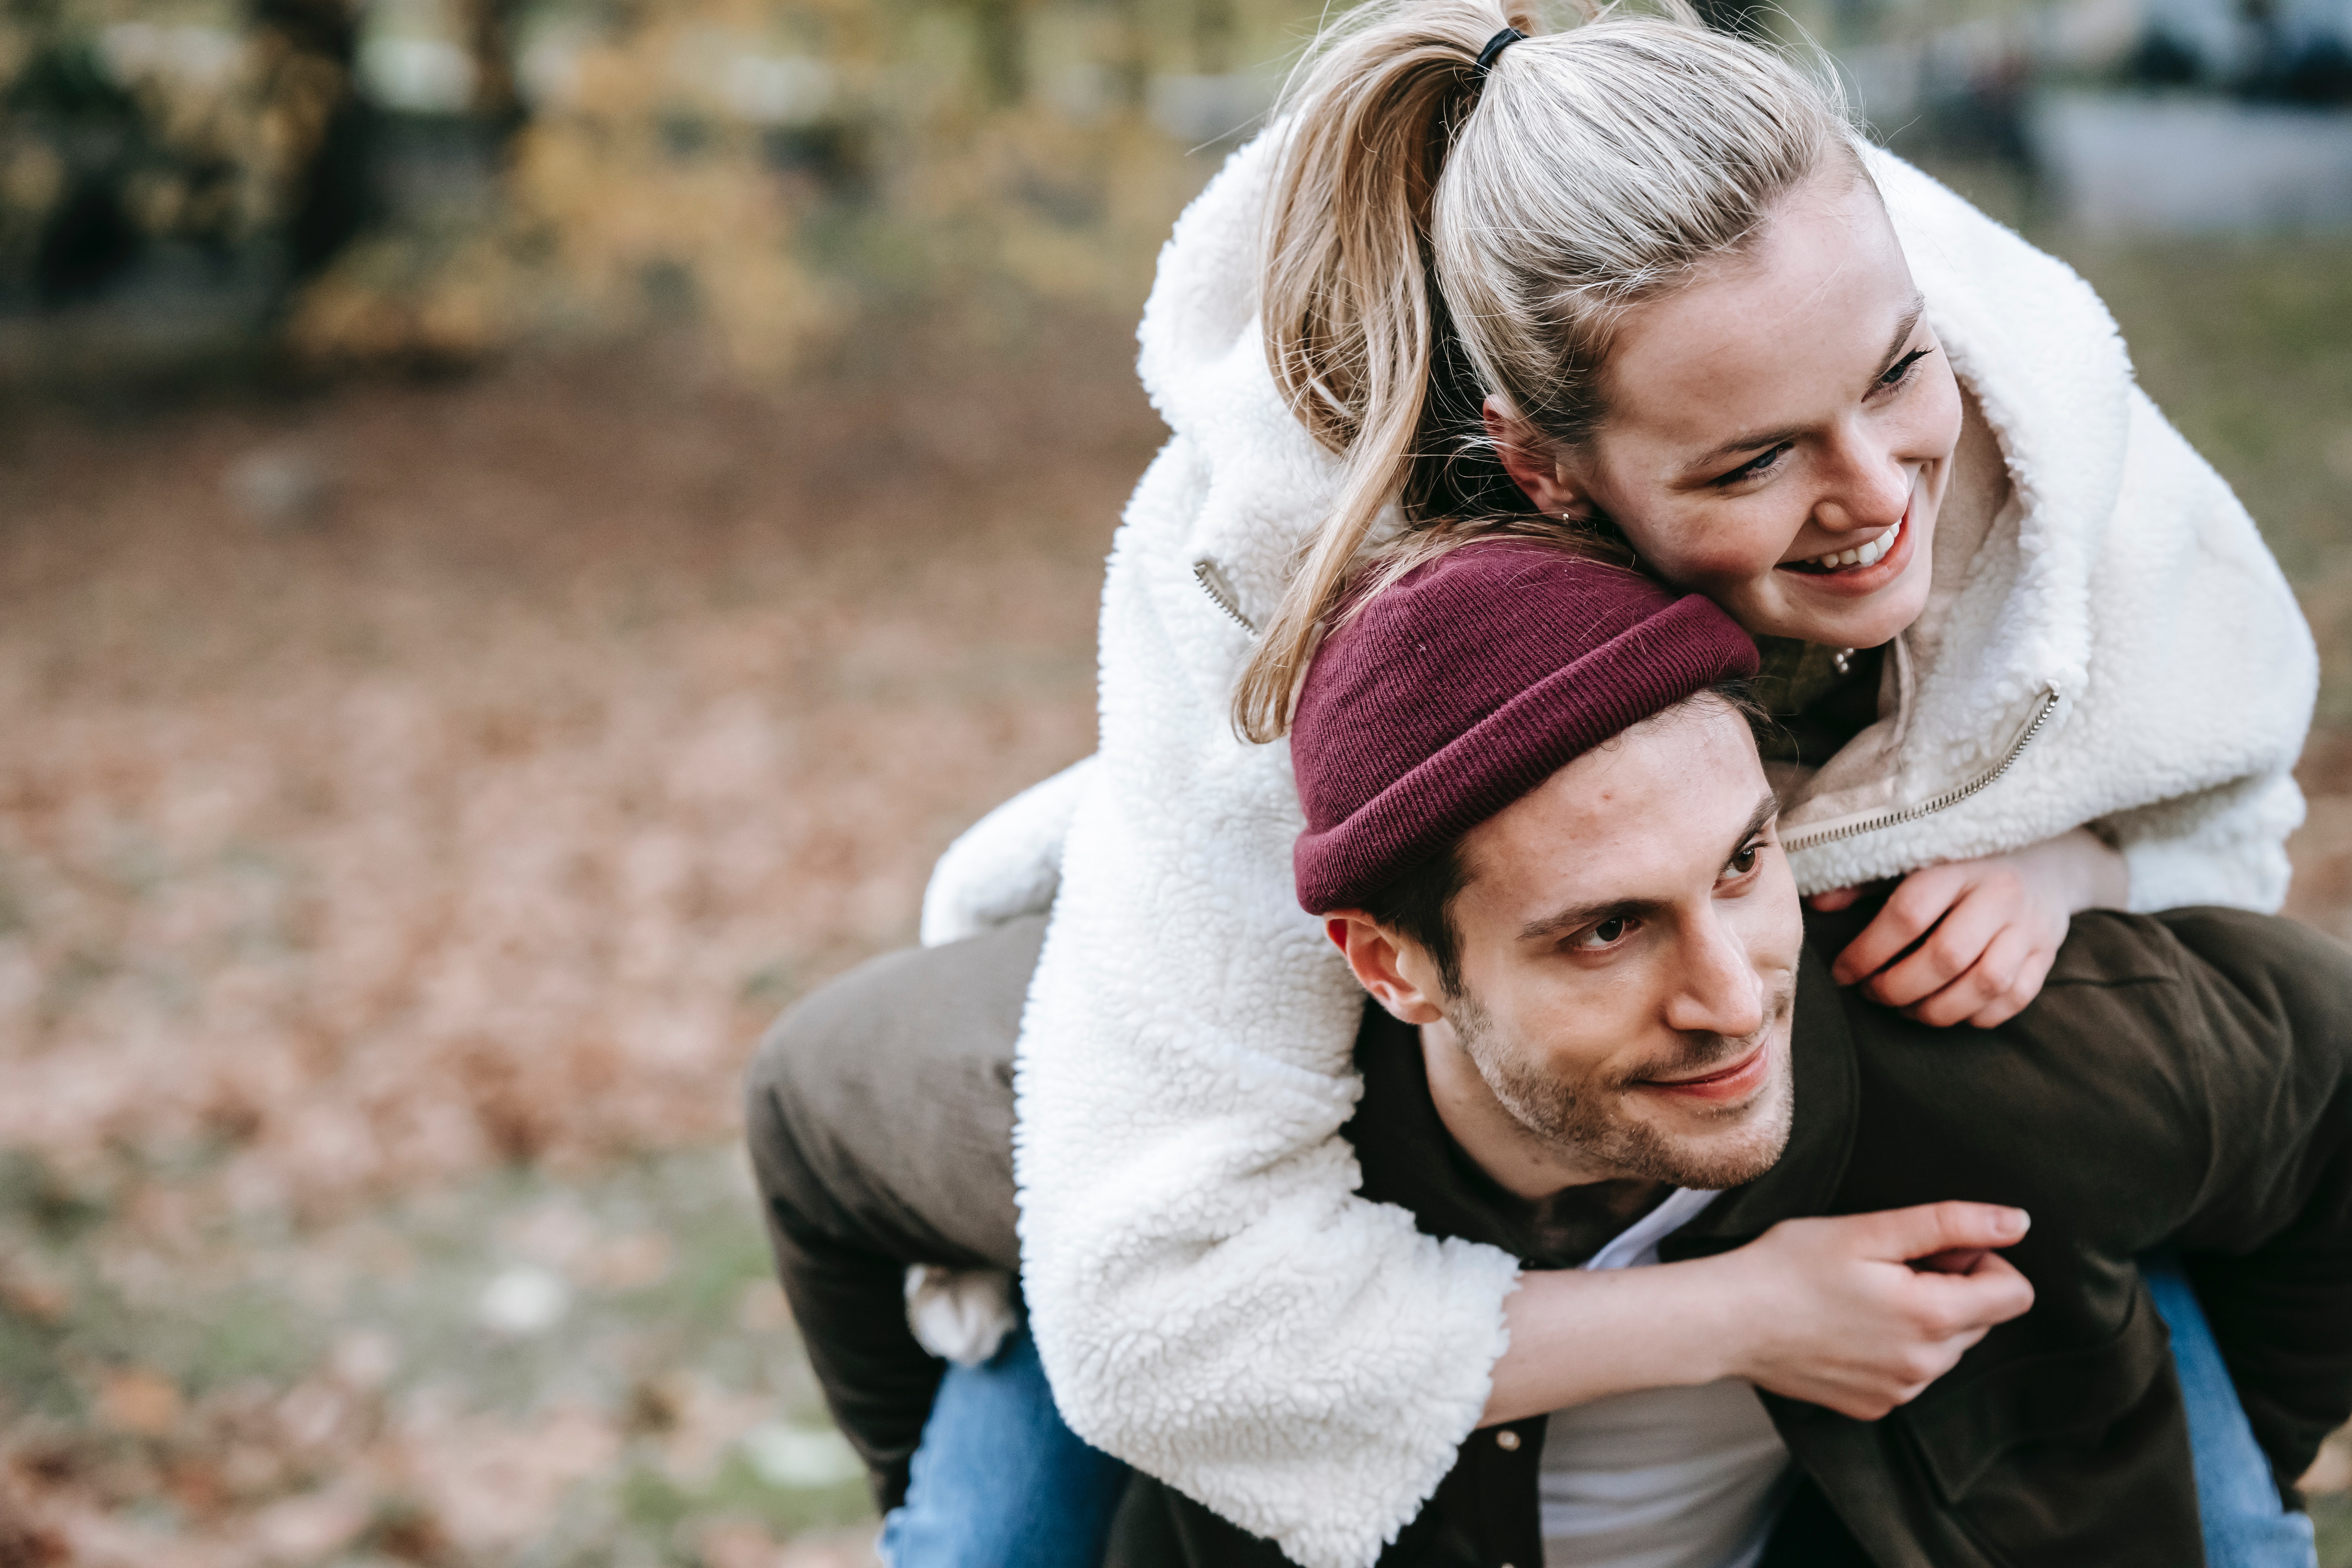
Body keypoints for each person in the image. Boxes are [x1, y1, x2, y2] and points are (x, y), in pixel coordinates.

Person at [897, 3, 2317, 1563]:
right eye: (1749, 462)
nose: (1874, 493)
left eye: (1894, 373)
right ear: (1545, 467)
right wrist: (1742, 1315)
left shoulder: (2024, 429)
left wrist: (2078, 860)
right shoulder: (1281, 608)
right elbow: (1161, 1307)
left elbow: (2227, 806)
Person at [750, 542, 2352, 1566]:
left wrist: (2226, 1479)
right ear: (1393, 965)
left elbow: (2335, 1084)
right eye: (1605, 932)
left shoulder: (1996, 1042)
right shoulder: (1158, 1122)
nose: (1735, 999)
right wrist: (962, 1504)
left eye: (1742, 866)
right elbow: (809, 1115)